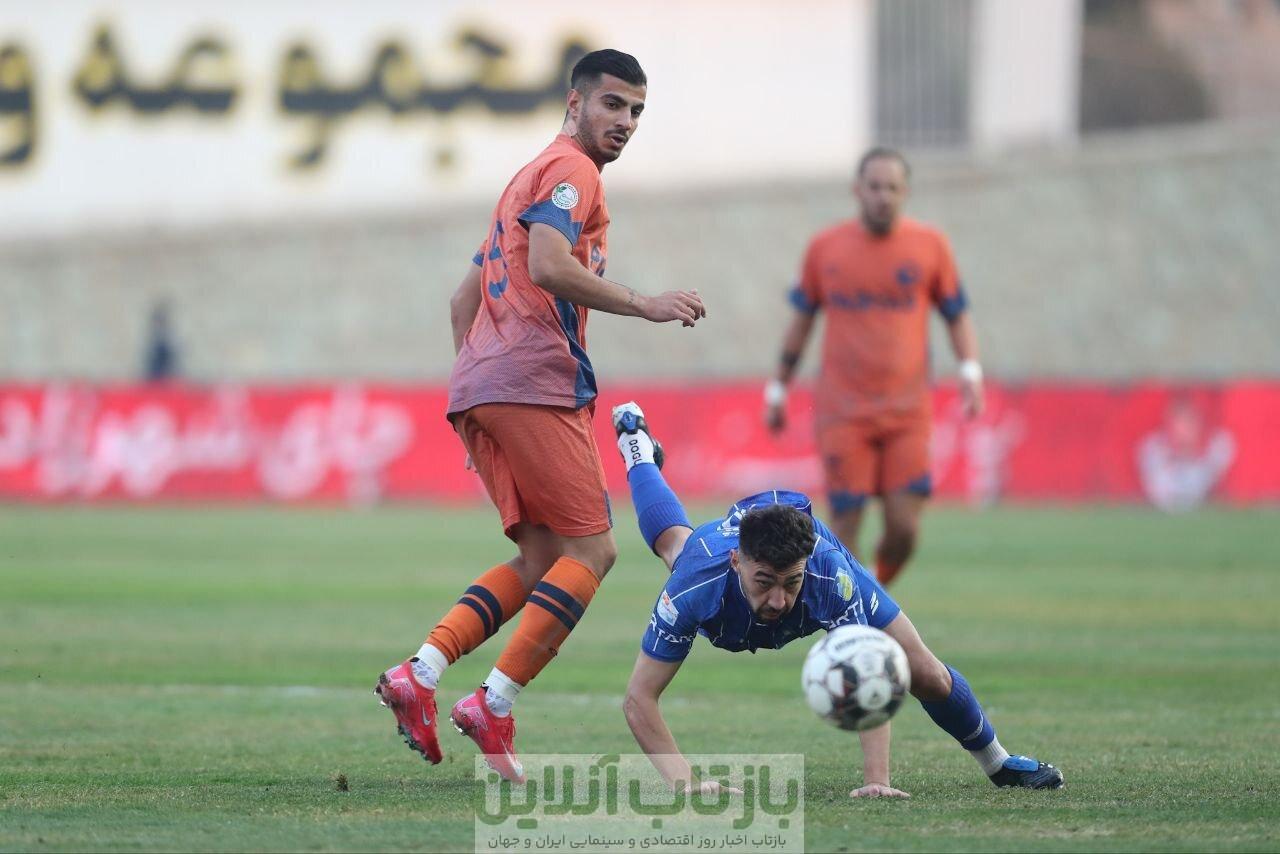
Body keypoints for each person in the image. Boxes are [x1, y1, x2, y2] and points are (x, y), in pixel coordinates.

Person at [374, 50, 706, 782]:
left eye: (637, 111)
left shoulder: (522, 180)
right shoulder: (573, 171)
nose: (626, 121)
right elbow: (549, 266)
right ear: (575, 102)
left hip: (484, 387)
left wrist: (476, 395)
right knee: (594, 553)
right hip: (534, 382)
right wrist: (646, 304)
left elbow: (462, 302)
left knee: (541, 559)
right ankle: (493, 700)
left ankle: (419, 672)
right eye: (613, 104)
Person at [613, 401, 1062, 797]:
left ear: (806, 567)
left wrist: (877, 780)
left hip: (822, 557)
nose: (778, 601)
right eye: (764, 581)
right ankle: (637, 448)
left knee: (924, 672)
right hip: (709, 557)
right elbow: (639, 698)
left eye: (791, 583)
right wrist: (685, 783)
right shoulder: (694, 586)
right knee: (675, 546)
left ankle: (998, 762)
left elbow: (871, 667)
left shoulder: (829, 575)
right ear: (736, 563)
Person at [764, 148, 983, 587]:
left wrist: (970, 371)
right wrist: (778, 387)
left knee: (905, 528)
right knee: (844, 524)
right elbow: (802, 321)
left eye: (893, 188)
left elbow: (955, 313)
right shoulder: (825, 248)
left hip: (907, 411)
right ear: (857, 190)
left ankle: (875, 592)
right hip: (843, 410)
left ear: (906, 192)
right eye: (875, 187)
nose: (884, 196)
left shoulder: (930, 245)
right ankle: (859, 611)